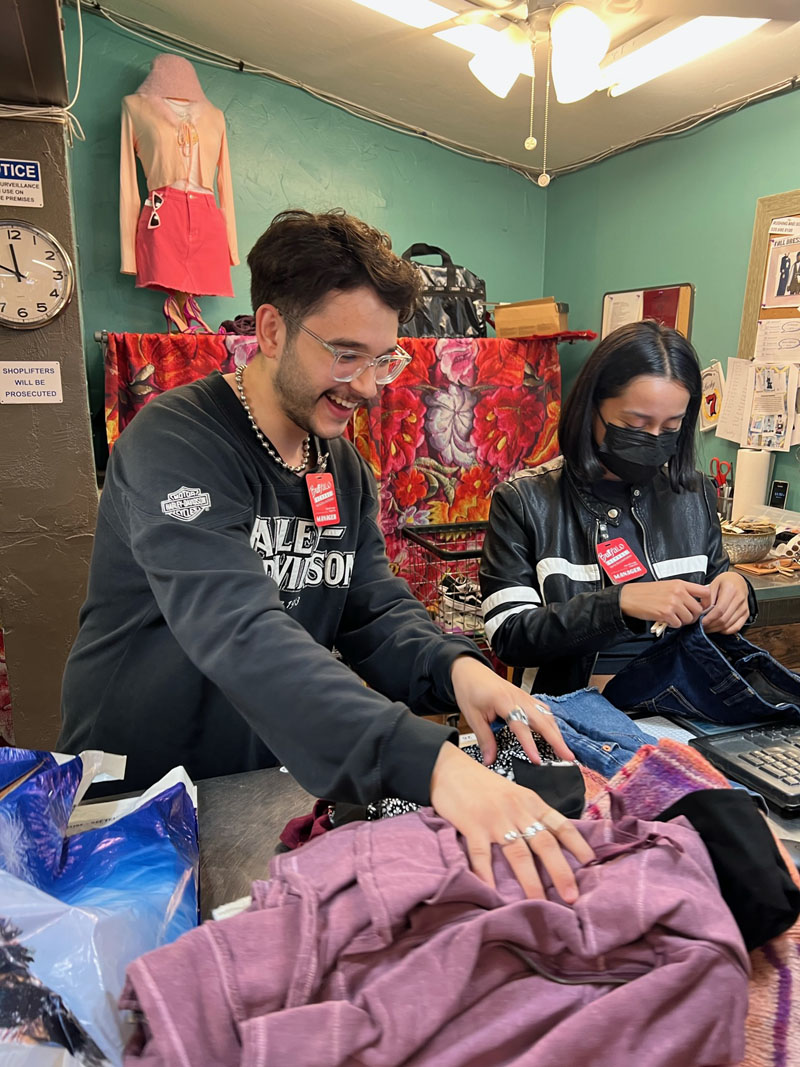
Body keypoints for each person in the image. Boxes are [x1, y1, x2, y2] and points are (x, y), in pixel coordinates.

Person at [59, 208, 593, 901]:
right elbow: (241, 628)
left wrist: (458, 669)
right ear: (272, 329)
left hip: (256, 780)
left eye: (383, 358)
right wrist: (430, 763)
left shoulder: (339, 466)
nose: (370, 385)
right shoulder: (175, 445)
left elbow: (371, 609)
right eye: (346, 354)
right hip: (137, 792)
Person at [480, 320, 756, 697]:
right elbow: (509, 635)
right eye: (635, 424)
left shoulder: (694, 495)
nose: (654, 439)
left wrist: (738, 591)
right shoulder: (524, 501)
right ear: (593, 407)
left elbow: (717, 583)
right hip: (569, 719)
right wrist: (619, 604)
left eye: (672, 426)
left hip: (681, 713)